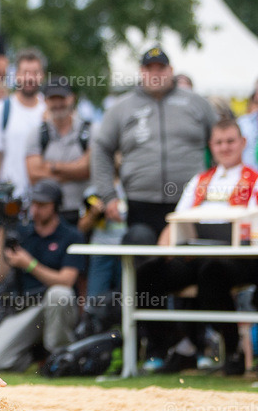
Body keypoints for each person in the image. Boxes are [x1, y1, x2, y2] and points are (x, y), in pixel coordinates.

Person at [132, 118, 256, 375]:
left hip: (239, 256)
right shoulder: (199, 181)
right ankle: (181, 346)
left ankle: (232, 350)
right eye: (219, 142)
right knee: (145, 275)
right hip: (194, 255)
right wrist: (166, 252)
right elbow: (175, 222)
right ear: (211, 146)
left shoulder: (254, 180)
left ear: (242, 143)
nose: (225, 147)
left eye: (230, 141)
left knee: (212, 272)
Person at [91, 47, 218, 239]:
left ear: (171, 70)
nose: (155, 74)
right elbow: (101, 149)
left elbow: (220, 142)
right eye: (150, 68)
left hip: (192, 201)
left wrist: (219, 185)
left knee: (189, 261)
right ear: (141, 72)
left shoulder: (197, 103)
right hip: (140, 202)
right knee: (141, 246)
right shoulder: (121, 107)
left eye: (161, 68)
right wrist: (108, 196)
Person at [0, 180, 85, 372]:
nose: (36, 209)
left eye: (43, 205)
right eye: (34, 203)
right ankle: (33, 359)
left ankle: (59, 357)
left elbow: (67, 280)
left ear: (56, 206)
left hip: (57, 306)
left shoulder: (71, 235)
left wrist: (30, 265)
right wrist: (1, 227)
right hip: (27, 309)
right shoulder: (22, 232)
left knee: (58, 294)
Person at [25, 80, 91, 224]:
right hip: (47, 218)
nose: (57, 104)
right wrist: (75, 171)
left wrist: (52, 167)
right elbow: (34, 176)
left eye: (61, 98)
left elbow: (88, 169)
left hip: (82, 214)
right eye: (52, 99)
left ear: (72, 98)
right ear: (46, 101)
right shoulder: (37, 133)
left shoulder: (89, 131)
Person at [0, 49, 46, 200]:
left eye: (35, 72)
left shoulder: (49, 110)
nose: (30, 78)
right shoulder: (0, 110)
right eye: (25, 72)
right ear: (17, 75)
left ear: (42, 75)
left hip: (44, 201)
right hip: (10, 200)